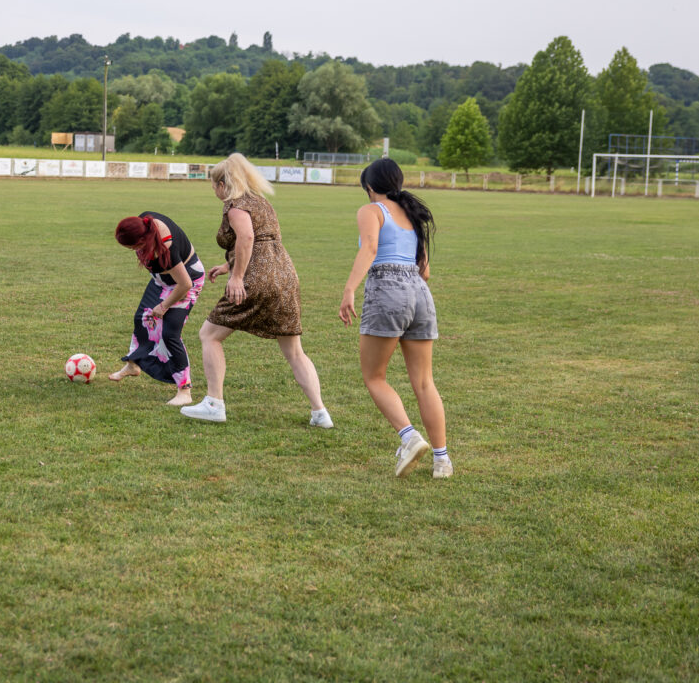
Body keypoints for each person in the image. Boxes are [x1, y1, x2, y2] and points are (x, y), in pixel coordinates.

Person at [181, 153, 332, 427]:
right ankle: (320, 413)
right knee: (294, 351)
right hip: (284, 276)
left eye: (213, 184)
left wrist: (237, 277)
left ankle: (214, 403)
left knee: (209, 335)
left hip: (257, 279)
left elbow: (248, 237)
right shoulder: (261, 202)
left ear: (223, 185)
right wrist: (228, 266)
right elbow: (264, 242)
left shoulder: (236, 206)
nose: (213, 190)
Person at [338, 158, 451, 478]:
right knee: (425, 382)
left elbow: (370, 248)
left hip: (387, 289)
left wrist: (349, 289)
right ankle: (442, 461)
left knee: (375, 377)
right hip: (420, 294)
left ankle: (409, 437)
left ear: (370, 187)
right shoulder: (413, 216)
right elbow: (425, 271)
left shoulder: (371, 210)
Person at [110, 213, 205, 406]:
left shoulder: (167, 252)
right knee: (142, 319)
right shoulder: (144, 222)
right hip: (161, 281)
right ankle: (133, 364)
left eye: (132, 247)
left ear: (142, 240)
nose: (132, 251)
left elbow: (184, 283)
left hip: (187, 282)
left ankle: (184, 391)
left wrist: (164, 306)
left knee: (170, 333)